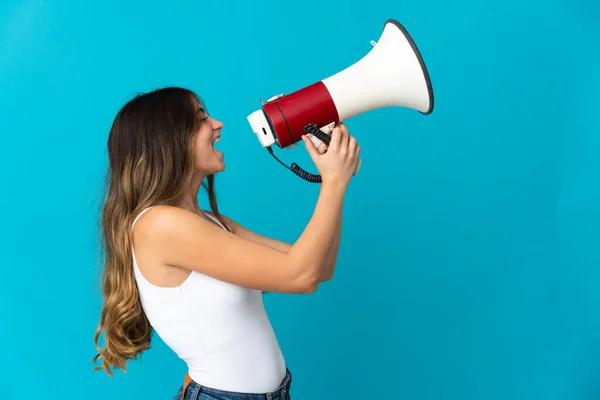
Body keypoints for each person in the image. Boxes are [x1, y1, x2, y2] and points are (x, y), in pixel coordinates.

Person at [92, 86, 361, 400]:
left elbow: (320, 267)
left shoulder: (210, 222)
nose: (217, 124)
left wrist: (336, 185)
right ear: (168, 139)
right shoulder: (160, 225)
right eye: (201, 118)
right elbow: (302, 276)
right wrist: (333, 182)